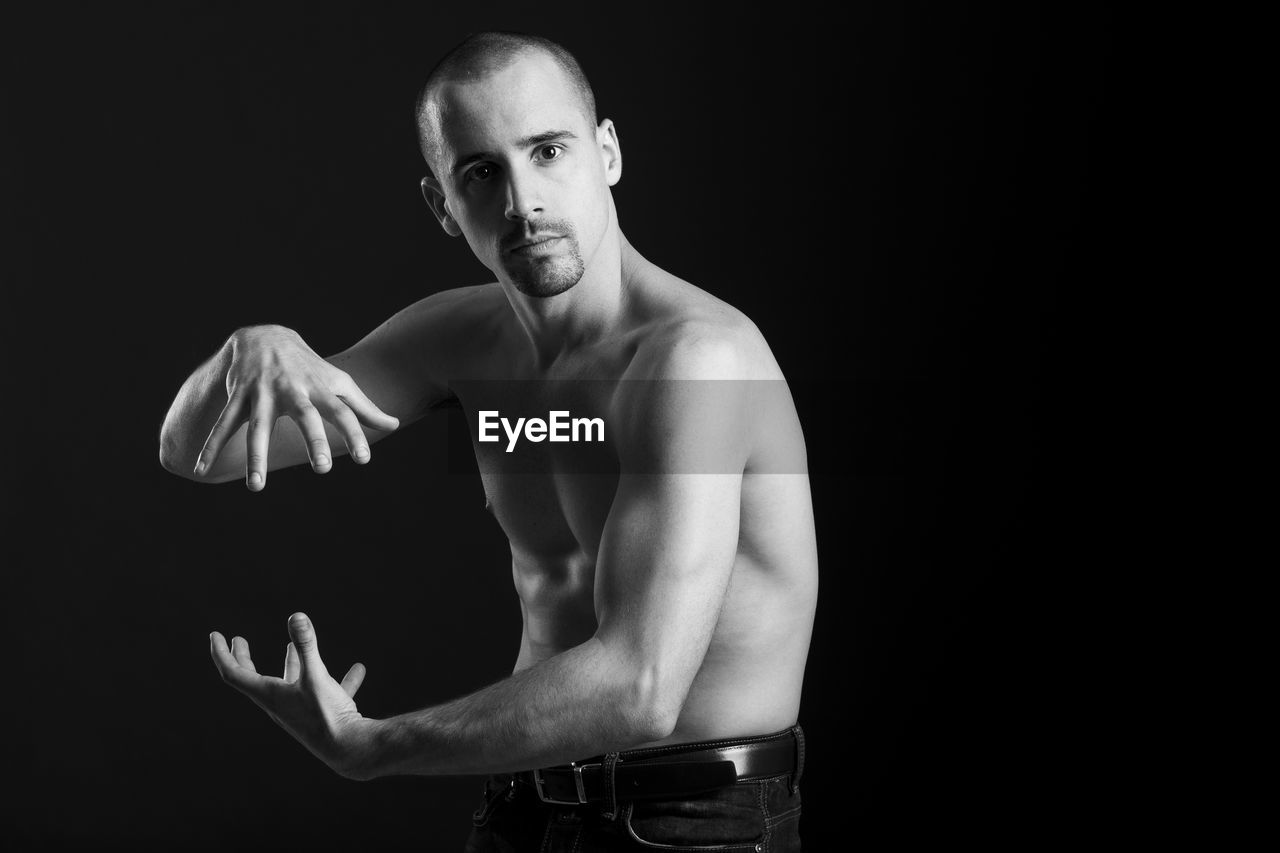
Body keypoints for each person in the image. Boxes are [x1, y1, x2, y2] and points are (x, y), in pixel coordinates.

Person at [159, 31, 818, 851]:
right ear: (442, 203)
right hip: (525, 807)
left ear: (607, 153)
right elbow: (194, 454)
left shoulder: (697, 360)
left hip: (691, 820)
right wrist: (242, 353)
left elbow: (641, 686)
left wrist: (376, 744)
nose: (522, 201)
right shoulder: (462, 341)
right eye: (482, 172)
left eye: (548, 151)